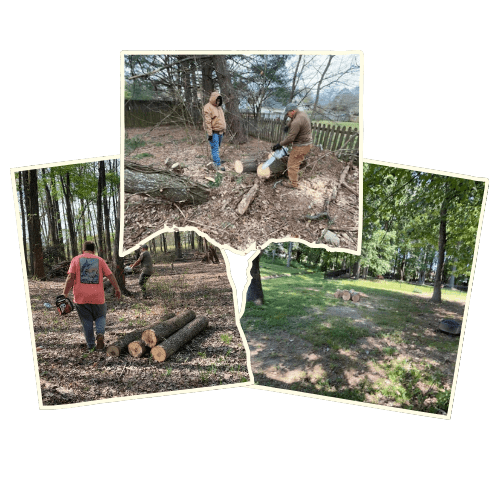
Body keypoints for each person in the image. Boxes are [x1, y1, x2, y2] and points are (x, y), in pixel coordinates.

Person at [63, 241, 121, 351]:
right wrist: (117, 288)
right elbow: (110, 275)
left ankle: (91, 345)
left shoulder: (76, 259)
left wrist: (64, 294)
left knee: (86, 321)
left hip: (81, 298)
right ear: (94, 251)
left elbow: (70, 277)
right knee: (101, 316)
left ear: (83, 250)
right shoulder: (100, 260)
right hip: (98, 297)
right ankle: (100, 333)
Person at [272, 103, 313, 188]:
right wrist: (287, 126)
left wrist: (279, 144)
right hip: (306, 144)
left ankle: (293, 184)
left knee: (292, 164)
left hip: (301, 146)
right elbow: (292, 119)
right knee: (295, 162)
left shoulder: (296, 121)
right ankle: (290, 175)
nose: (287, 115)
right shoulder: (301, 114)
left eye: (288, 113)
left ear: (293, 111)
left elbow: (290, 138)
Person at [203, 91, 227, 171]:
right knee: (215, 148)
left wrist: (224, 130)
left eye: (219, 101)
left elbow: (222, 119)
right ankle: (217, 164)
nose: (218, 102)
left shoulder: (219, 107)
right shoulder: (207, 107)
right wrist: (209, 134)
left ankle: (217, 160)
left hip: (220, 132)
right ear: (213, 99)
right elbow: (207, 122)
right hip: (213, 133)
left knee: (217, 147)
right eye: (217, 100)